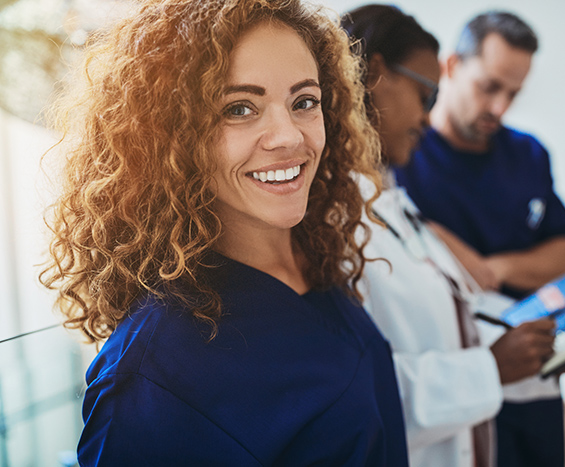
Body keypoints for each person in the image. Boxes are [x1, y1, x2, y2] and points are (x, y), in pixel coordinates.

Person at [40, 0, 409, 465]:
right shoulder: (155, 376)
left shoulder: (315, 260)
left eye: (304, 102)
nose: (289, 136)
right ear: (172, 134)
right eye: (239, 108)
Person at [341, 6, 558, 467]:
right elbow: (355, 393)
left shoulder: (391, 197)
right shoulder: (337, 221)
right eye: (425, 94)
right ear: (374, 73)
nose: (428, 114)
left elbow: (447, 321)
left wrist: (534, 354)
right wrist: (490, 368)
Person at [395, 11, 565, 467]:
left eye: (513, 93)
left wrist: (493, 269)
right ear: (452, 67)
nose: (500, 108)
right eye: (490, 87)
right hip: (454, 386)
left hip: (536, 381)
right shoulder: (401, 158)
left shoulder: (528, 154)